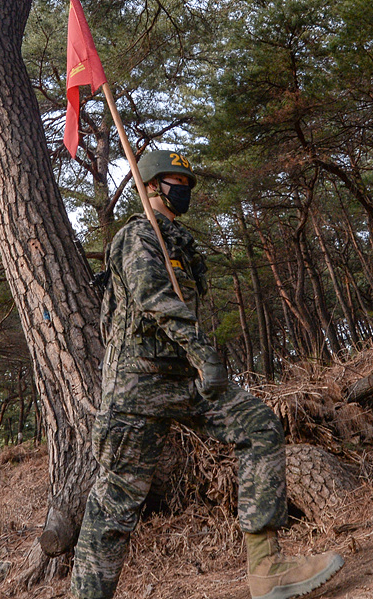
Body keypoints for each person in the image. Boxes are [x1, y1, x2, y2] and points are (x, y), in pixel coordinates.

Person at [69, 150, 344, 599]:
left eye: (189, 183)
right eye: (176, 181)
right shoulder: (138, 235)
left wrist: (199, 361)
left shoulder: (179, 242)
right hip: (135, 387)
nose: (185, 189)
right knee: (116, 504)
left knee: (258, 425)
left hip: (183, 382)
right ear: (152, 187)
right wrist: (205, 354)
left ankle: (267, 568)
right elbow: (155, 299)